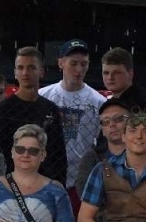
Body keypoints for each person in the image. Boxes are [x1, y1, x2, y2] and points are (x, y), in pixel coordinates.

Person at [0, 48, 66, 184]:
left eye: (31, 68)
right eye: (20, 67)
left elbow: (58, 155)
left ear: (41, 71)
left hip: (44, 183)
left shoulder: (51, 109)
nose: (25, 73)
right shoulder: (3, 109)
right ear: (15, 72)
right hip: (11, 184)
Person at [38, 40, 103, 189]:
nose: (79, 70)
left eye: (84, 64)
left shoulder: (98, 102)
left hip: (81, 177)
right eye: (73, 64)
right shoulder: (43, 96)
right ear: (61, 63)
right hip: (47, 172)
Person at [71, 96, 129, 193]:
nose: (112, 124)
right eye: (106, 122)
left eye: (118, 119)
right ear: (102, 130)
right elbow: (84, 190)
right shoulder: (93, 157)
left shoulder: (145, 153)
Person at [98, 48, 146, 116]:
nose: (110, 77)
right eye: (106, 73)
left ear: (130, 74)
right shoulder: (109, 103)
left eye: (117, 73)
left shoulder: (141, 104)